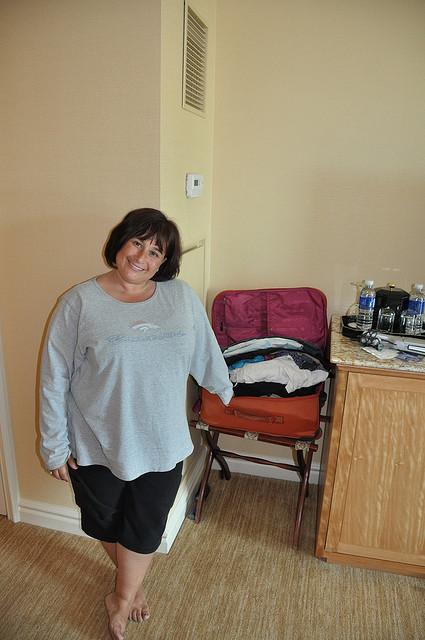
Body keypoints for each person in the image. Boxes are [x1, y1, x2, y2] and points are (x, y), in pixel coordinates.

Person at [39, 208, 233, 640]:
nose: (142, 256)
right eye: (137, 242)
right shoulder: (79, 302)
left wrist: (224, 389)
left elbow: (204, 348)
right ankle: (133, 585)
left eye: (155, 251)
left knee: (147, 524)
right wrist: (54, 445)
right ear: (120, 242)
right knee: (105, 521)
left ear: (165, 262)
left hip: (163, 439)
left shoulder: (179, 296)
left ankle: (121, 598)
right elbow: (54, 379)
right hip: (95, 440)